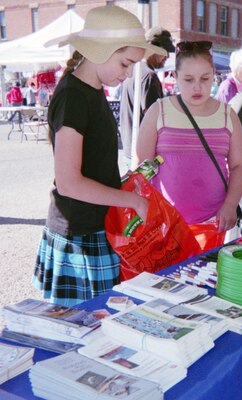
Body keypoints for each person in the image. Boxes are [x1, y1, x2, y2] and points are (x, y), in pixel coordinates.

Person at [31, 5, 168, 306]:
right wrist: (132, 200)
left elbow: (93, 165)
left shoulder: (91, 91)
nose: (130, 72)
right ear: (100, 50)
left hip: (95, 226)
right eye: (125, 63)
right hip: (78, 235)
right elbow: (69, 182)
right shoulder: (74, 96)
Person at [136, 41, 242, 233]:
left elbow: (240, 166)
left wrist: (231, 204)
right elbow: (142, 169)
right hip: (165, 225)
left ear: (214, 76)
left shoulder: (227, 115)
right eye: (189, 79)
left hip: (211, 225)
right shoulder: (158, 111)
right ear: (175, 76)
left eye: (204, 79)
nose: (197, 87)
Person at [119, 27, 174, 168]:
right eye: (165, 52)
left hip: (130, 149)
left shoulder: (133, 70)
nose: (167, 57)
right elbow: (153, 118)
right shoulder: (149, 76)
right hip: (143, 154)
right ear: (155, 48)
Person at [215, 50, 242, 223]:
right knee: (236, 172)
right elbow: (226, 112)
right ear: (239, 68)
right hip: (229, 137)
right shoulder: (227, 86)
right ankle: (237, 207)